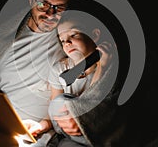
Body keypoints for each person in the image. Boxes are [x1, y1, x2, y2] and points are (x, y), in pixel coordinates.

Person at [0, 0, 72, 146]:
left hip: (36, 136)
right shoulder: (5, 35)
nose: (50, 13)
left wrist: (42, 126)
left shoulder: (68, 40)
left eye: (59, 7)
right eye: (43, 4)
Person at [48, 11, 116, 146]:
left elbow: (92, 106)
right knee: (59, 102)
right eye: (62, 40)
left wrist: (101, 67)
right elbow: (55, 111)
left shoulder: (109, 66)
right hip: (70, 132)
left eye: (73, 35)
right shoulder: (60, 69)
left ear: (95, 35)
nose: (67, 42)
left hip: (96, 131)